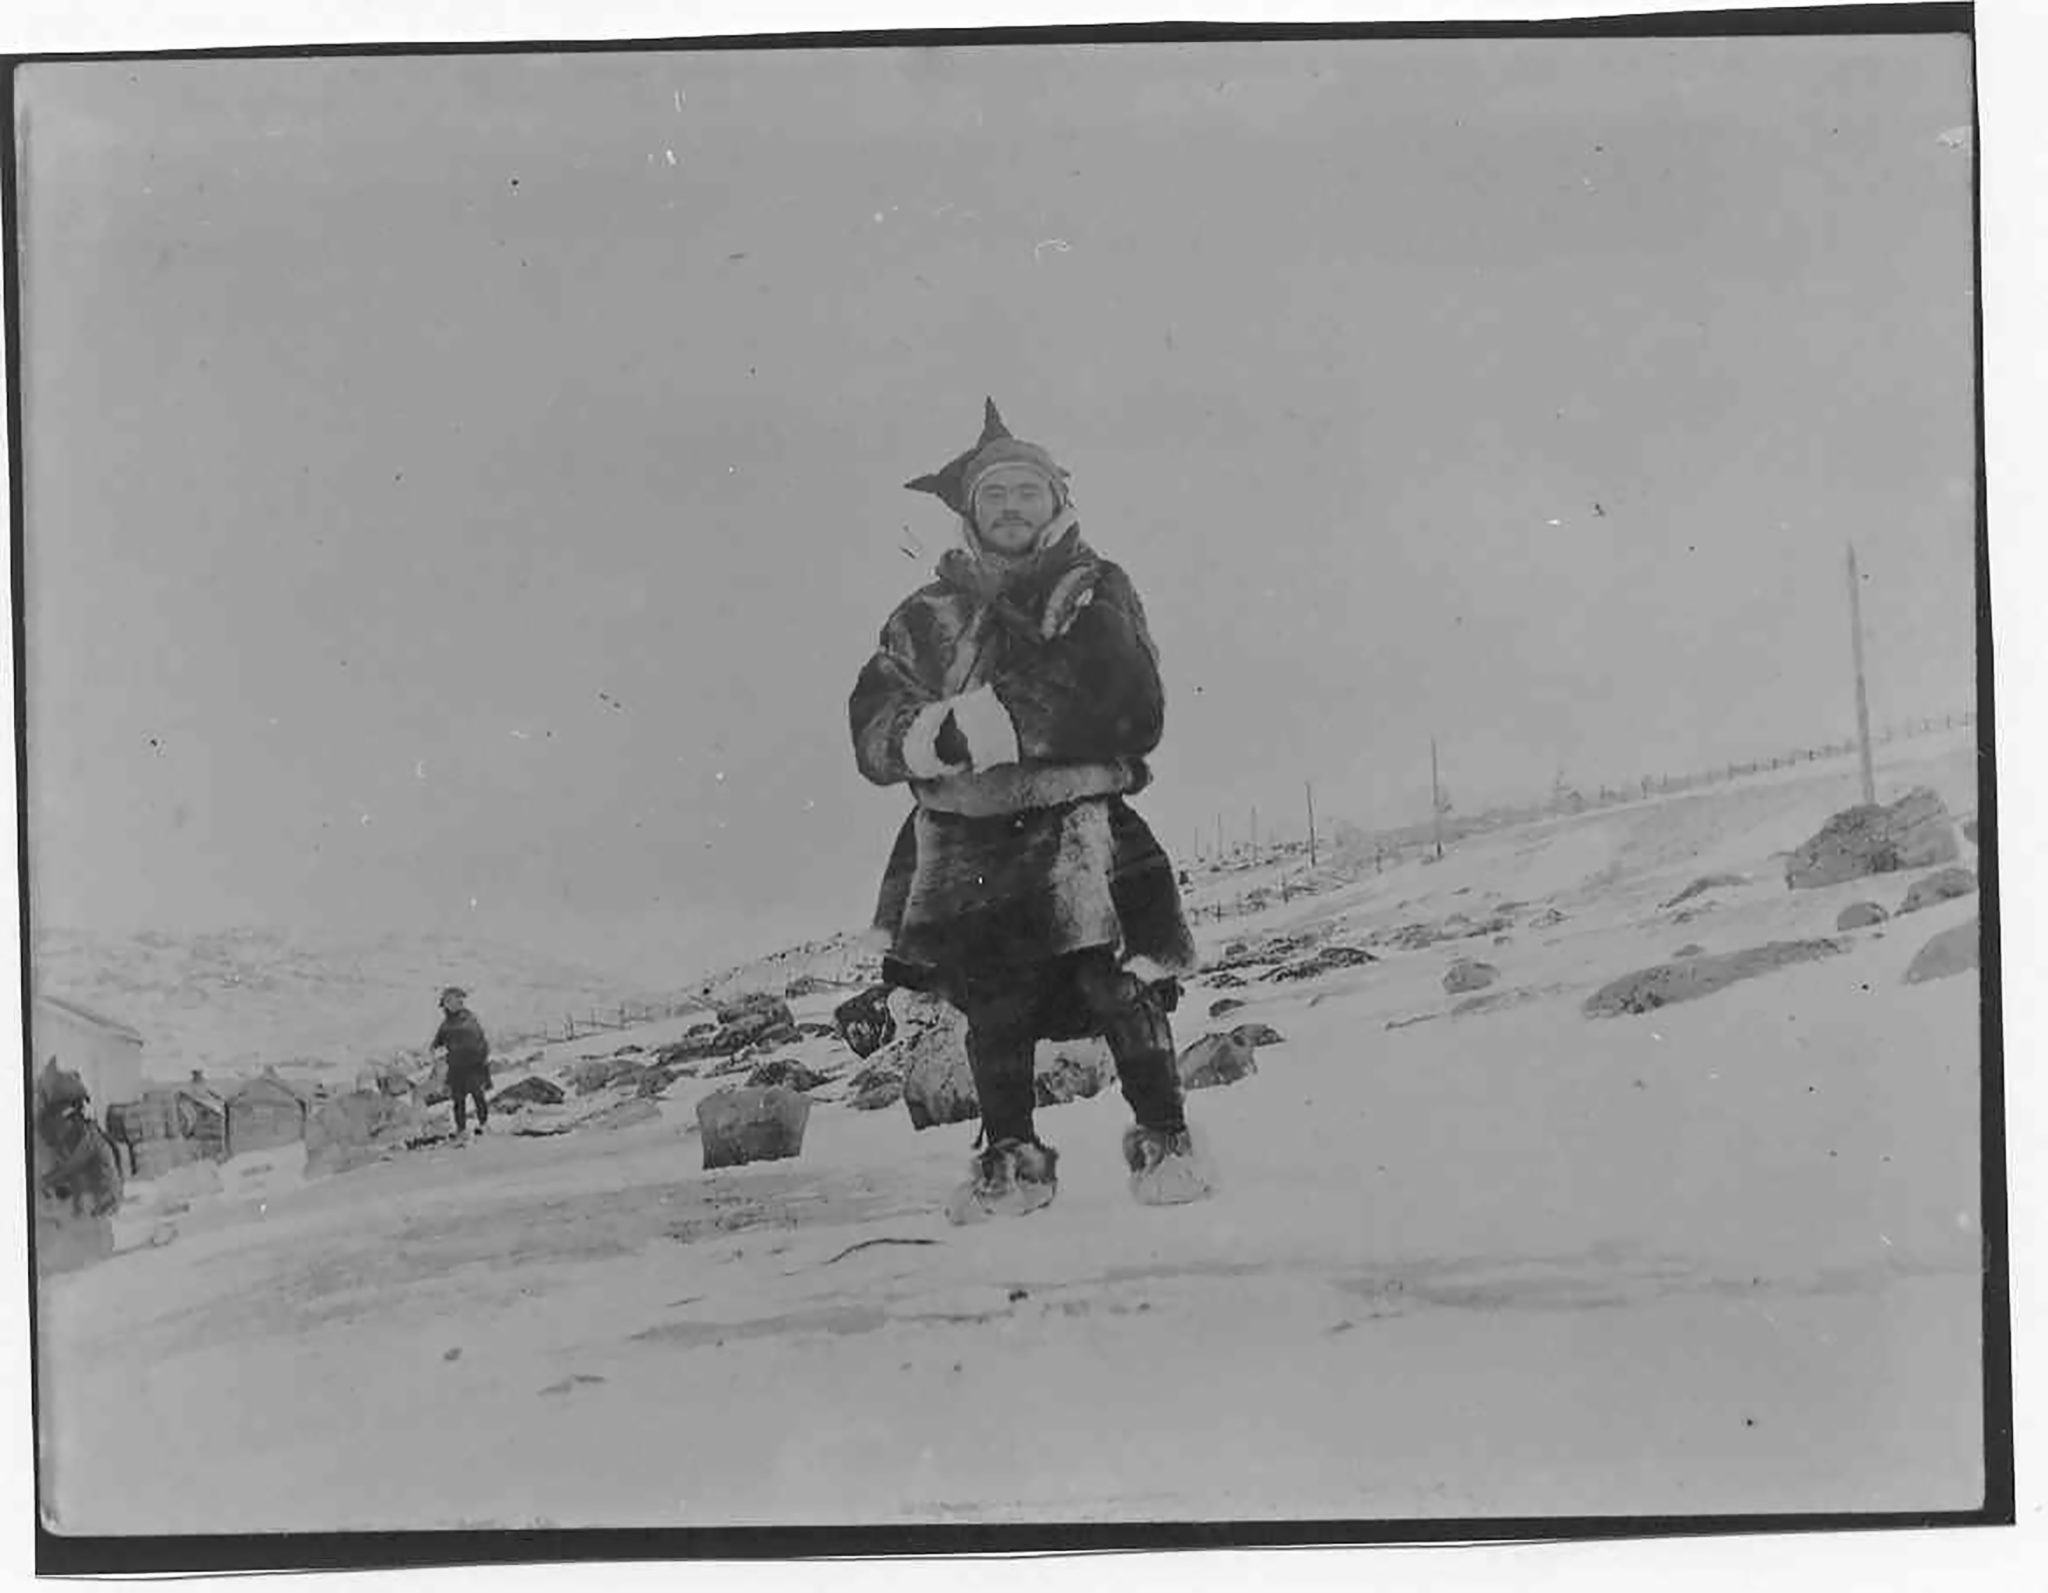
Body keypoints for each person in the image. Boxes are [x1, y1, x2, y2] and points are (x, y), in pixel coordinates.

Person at [849, 398, 1211, 1224]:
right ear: (971, 512)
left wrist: (983, 724)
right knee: (995, 1005)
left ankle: (1168, 1143)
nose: (1011, 508)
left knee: (1121, 985)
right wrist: (924, 738)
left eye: (1027, 493)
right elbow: (874, 719)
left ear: (1056, 503)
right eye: (994, 496)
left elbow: (1127, 697)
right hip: (965, 841)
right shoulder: (922, 617)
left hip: (1081, 826)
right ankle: (1008, 1161)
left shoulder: (1093, 590)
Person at [429, 987, 492, 1139]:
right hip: (456, 1067)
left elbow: (479, 1041)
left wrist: (481, 1058)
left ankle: (483, 1124)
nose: (450, 1004)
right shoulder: (446, 1025)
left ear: (459, 1001)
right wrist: (438, 1054)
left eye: (453, 1000)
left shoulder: (469, 1019)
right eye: (447, 1002)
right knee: (458, 1099)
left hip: (473, 1065)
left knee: (478, 1095)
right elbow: (437, 1044)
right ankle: (461, 1128)